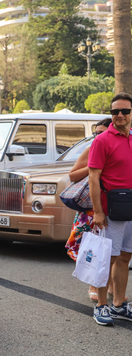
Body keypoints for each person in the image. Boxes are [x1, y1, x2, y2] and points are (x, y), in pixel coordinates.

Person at [88, 92, 132, 325]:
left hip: (130, 210)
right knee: (107, 258)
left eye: (125, 111)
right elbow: (93, 179)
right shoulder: (102, 140)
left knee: (125, 257)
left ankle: (119, 305)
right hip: (110, 211)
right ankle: (101, 305)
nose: (120, 115)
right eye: (115, 112)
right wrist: (97, 212)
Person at [66, 118, 116, 302]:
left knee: (114, 250)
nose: (98, 136)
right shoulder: (91, 150)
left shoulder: (118, 148)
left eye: (102, 132)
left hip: (116, 206)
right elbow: (72, 175)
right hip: (91, 209)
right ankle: (93, 284)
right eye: (96, 133)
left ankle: (111, 286)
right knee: (96, 248)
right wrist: (93, 166)